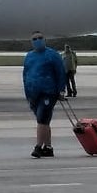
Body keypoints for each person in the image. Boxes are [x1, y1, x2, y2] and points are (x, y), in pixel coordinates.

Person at [22, 30, 68, 158]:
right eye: (35, 39)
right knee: (44, 121)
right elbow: (25, 74)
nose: (38, 40)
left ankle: (38, 147)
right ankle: (48, 147)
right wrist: (27, 94)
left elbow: (60, 73)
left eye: (40, 38)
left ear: (45, 39)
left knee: (42, 119)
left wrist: (61, 90)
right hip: (33, 93)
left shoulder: (53, 55)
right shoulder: (29, 56)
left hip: (48, 91)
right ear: (31, 42)